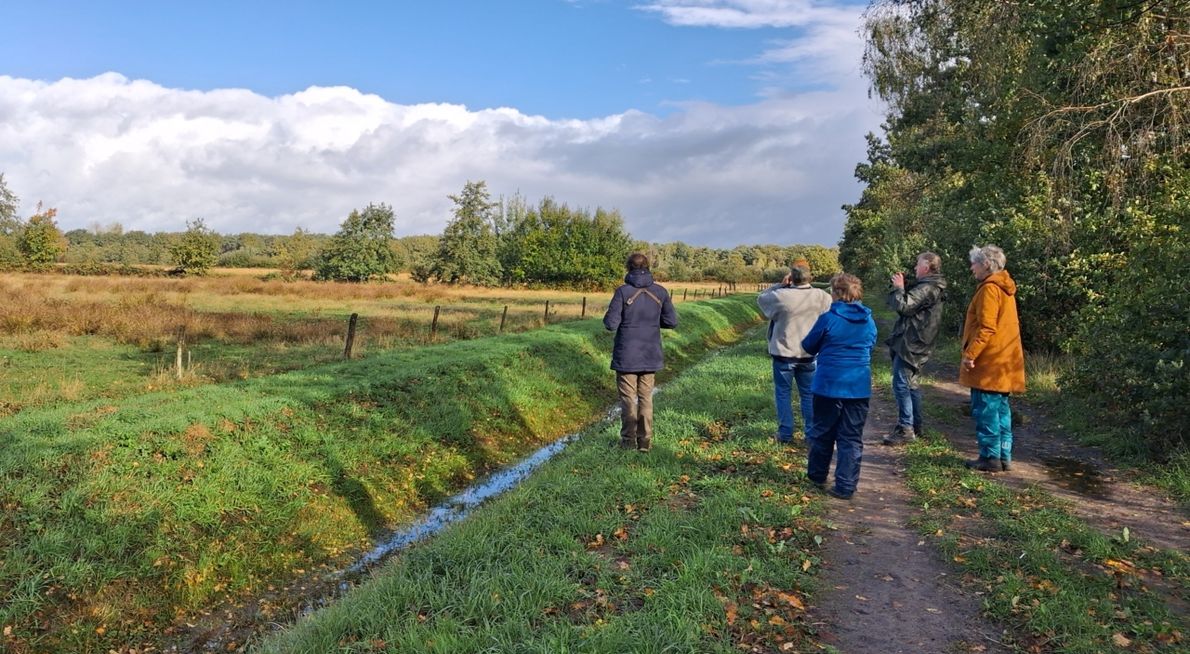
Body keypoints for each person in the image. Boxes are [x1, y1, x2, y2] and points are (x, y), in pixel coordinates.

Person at [802, 273, 878, 499]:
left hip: (828, 385)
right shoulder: (868, 320)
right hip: (858, 387)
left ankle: (817, 476)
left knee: (822, 432)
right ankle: (846, 486)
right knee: (851, 437)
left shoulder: (828, 318)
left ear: (836, 293)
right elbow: (871, 344)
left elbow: (808, 346)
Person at [959, 245, 1025, 472]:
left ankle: (990, 457)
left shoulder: (989, 289)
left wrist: (970, 354)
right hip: (1004, 362)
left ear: (986, 264)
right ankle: (1004, 456)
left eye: (974, 263)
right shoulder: (1005, 287)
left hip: (989, 362)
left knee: (985, 409)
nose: (971, 268)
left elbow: (987, 328)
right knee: (1001, 410)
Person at [604, 252, 678, 451]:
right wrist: (653, 323)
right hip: (650, 354)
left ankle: (627, 442)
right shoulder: (660, 292)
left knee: (629, 399)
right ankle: (644, 442)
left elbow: (611, 324)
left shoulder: (622, 292)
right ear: (648, 267)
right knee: (646, 398)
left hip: (626, 355)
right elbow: (672, 322)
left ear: (628, 268)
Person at [757, 263, 832, 443]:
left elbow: (761, 298)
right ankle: (811, 433)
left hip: (784, 353)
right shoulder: (820, 296)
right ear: (810, 278)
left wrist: (780, 285)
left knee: (783, 393)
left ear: (791, 278)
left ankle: (785, 433)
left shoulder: (781, 296)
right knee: (808, 394)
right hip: (810, 353)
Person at [882, 252, 948, 445]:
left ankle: (906, 429)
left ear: (927, 267)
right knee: (911, 385)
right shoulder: (933, 286)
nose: (915, 267)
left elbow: (905, 306)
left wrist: (899, 288)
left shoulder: (928, 287)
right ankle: (914, 425)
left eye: (918, 264)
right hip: (919, 341)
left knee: (901, 384)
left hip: (912, 343)